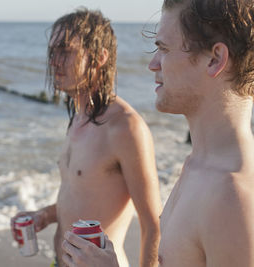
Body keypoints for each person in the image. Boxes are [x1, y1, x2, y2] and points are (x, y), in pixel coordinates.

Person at [63, 0, 254, 266]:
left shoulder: (233, 197)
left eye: (163, 49)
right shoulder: (198, 165)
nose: (153, 64)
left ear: (215, 59)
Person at [10, 8, 162, 267]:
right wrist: (44, 216)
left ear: (99, 57)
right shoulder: (78, 119)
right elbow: (83, 197)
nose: (54, 61)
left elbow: (153, 225)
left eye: (65, 51)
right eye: (52, 52)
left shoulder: (125, 127)